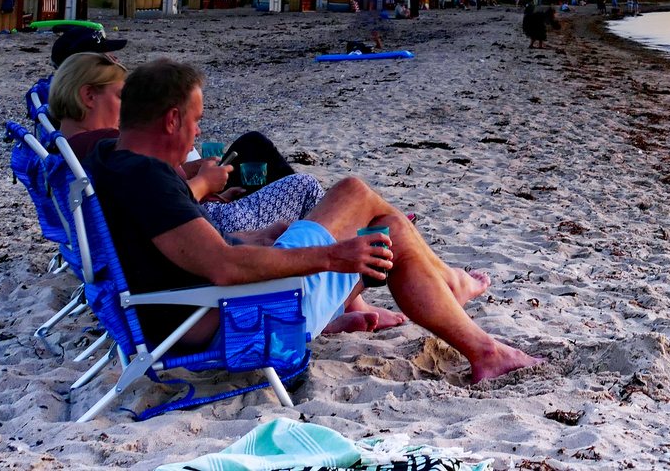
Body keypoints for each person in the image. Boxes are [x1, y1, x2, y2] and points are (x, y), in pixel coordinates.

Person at [84, 59, 541, 380]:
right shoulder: (148, 180)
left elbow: (178, 245)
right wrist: (332, 256)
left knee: (357, 197)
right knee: (389, 227)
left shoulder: (112, 158)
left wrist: (255, 238)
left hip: (209, 303)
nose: (199, 132)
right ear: (171, 120)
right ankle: (482, 345)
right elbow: (222, 268)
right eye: (196, 120)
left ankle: (461, 305)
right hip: (242, 319)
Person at [50, 52, 326, 236]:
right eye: (122, 96)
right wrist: (204, 184)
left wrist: (201, 180)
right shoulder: (106, 147)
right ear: (88, 96)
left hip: (193, 218)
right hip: (200, 227)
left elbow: (153, 195)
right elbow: (158, 207)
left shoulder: (71, 149)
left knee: (252, 146)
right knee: (305, 187)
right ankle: (339, 292)